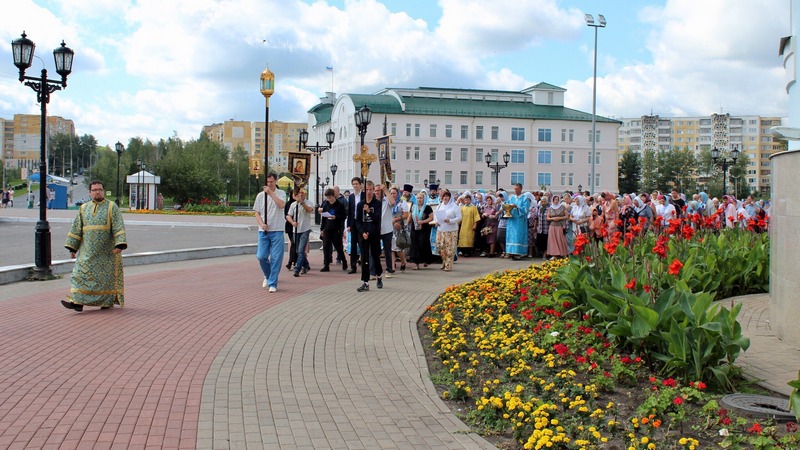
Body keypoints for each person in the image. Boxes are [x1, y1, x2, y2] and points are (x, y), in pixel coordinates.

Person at [61, 180, 127, 312]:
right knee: (79, 275)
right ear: (90, 192)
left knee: (104, 280)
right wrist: (72, 248)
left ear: (103, 191)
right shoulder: (84, 208)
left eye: (100, 189)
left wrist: (119, 244)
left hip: (107, 253)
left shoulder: (111, 207)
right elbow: (76, 229)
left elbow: (118, 226)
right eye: (95, 190)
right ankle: (77, 302)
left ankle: (106, 302)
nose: (98, 192)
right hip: (86, 252)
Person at [254, 173, 287, 293]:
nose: (269, 184)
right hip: (264, 230)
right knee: (261, 256)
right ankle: (267, 275)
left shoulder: (281, 193)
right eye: (267, 182)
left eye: (271, 182)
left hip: (277, 229)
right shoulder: (260, 196)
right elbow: (257, 213)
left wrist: (271, 193)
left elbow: (282, 205)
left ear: (275, 181)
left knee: (276, 257)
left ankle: (273, 282)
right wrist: (262, 224)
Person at [356, 180, 383, 292]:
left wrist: (369, 211)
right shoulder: (360, 204)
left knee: (375, 256)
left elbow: (377, 220)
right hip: (364, 235)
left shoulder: (377, 204)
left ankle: (379, 276)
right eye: (367, 190)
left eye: (371, 190)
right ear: (364, 190)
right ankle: (365, 282)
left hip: (374, 234)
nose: (369, 192)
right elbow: (358, 221)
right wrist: (363, 232)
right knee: (365, 258)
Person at [286, 187, 313, 277]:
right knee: (298, 251)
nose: (301, 194)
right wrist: (292, 222)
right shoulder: (293, 204)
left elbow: (309, 210)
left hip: (305, 229)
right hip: (296, 230)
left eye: (303, 193)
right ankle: (306, 265)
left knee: (301, 250)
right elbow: (288, 216)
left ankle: (297, 269)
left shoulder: (308, 203)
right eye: (299, 193)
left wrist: (302, 203)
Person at [319, 188, 347, 272]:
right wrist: (322, 229)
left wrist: (336, 217)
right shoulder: (325, 204)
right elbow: (323, 218)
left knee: (338, 247)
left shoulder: (339, 205)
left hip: (336, 229)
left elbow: (343, 216)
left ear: (333, 196)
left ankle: (344, 260)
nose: (329, 199)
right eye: (327, 198)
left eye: (330, 197)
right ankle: (326, 265)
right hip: (327, 228)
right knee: (326, 247)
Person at [434, 189, 461, 271]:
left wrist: (450, 221)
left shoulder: (454, 206)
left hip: (451, 230)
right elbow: (436, 215)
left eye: (447, 196)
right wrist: (436, 221)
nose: (445, 198)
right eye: (444, 196)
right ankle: (444, 261)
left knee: (449, 248)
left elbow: (459, 217)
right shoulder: (440, 206)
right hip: (441, 229)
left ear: (450, 197)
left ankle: (448, 264)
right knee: (440, 247)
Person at [408, 191, 434, 269]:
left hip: (424, 228)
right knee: (415, 244)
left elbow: (431, 217)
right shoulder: (413, 207)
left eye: (421, 198)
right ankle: (416, 263)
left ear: (424, 199)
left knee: (423, 243)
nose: (419, 200)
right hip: (414, 228)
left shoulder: (427, 207)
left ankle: (426, 260)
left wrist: (422, 222)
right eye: (418, 198)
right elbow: (410, 215)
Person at [505, 183, 530, 261]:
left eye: (517, 189)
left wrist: (517, 207)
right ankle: (510, 252)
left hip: (519, 220)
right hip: (511, 220)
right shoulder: (511, 198)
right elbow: (507, 206)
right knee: (510, 235)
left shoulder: (525, 198)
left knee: (518, 236)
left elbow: (526, 210)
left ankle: (518, 253)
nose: (515, 190)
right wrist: (507, 208)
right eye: (515, 189)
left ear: (521, 189)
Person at [389, 186, 410, 272]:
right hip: (390, 225)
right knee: (391, 248)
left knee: (398, 248)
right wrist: (393, 222)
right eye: (391, 193)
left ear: (398, 194)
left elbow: (406, 215)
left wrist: (396, 220)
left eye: (394, 193)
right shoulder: (388, 203)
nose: (392, 195)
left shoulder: (402, 202)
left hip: (400, 226)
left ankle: (403, 261)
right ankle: (392, 267)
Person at [346, 177, 364, 274]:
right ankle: (353, 266)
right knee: (353, 246)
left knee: (362, 245)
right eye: (354, 184)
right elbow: (349, 212)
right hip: (353, 223)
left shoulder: (364, 195)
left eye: (357, 184)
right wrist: (349, 225)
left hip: (362, 223)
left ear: (360, 185)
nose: (355, 186)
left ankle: (365, 265)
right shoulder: (351, 197)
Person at [546, 194, 569, 259]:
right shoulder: (550, 208)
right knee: (553, 240)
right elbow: (547, 218)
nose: (556, 201)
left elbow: (566, 216)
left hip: (560, 225)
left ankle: (562, 253)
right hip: (552, 225)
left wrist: (559, 218)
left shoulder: (562, 207)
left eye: (557, 200)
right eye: (555, 200)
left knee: (560, 239)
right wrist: (553, 219)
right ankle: (554, 254)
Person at [457, 192, 480, 257]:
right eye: (465, 200)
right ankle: (463, 251)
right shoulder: (462, 208)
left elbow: (476, 217)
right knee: (463, 238)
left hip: (470, 225)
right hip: (463, 226)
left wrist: (475, 224)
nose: (466, 201)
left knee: (469, 238)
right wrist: (458, 224)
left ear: (470, 200)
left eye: (468, 200)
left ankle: (469, 252)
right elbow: (460, 217)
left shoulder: (473, 207)